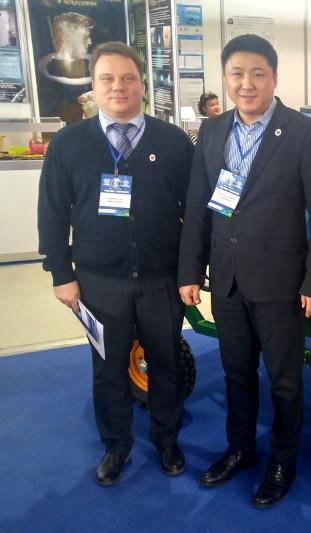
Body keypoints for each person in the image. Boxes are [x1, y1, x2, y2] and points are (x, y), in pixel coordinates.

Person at [177, 34, 311, 508]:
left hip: (281, 283)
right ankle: (240, 448)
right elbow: (199, 206)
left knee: (285, 381)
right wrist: (190, 270)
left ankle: (283, 461)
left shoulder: (305, 132)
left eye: (257, 74)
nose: (246, 84)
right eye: (237, 74)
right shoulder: (211, 131)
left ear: (274, 78)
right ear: (226, 78)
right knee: (236, 373)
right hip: (226, 279)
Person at [37, 41, 193, 486]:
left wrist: (190, 272)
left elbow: (194, 212)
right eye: (107, 78)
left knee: (166, 364)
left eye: (128, 78)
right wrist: (61, 274)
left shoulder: (173, 141)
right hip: (98, 283)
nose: (118, 87)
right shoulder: (68, 144)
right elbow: (52, 213)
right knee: (107, 368)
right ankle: (116, 445)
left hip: (162, 281)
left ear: (143, 84)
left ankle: (166, 439)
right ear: (93, 86)